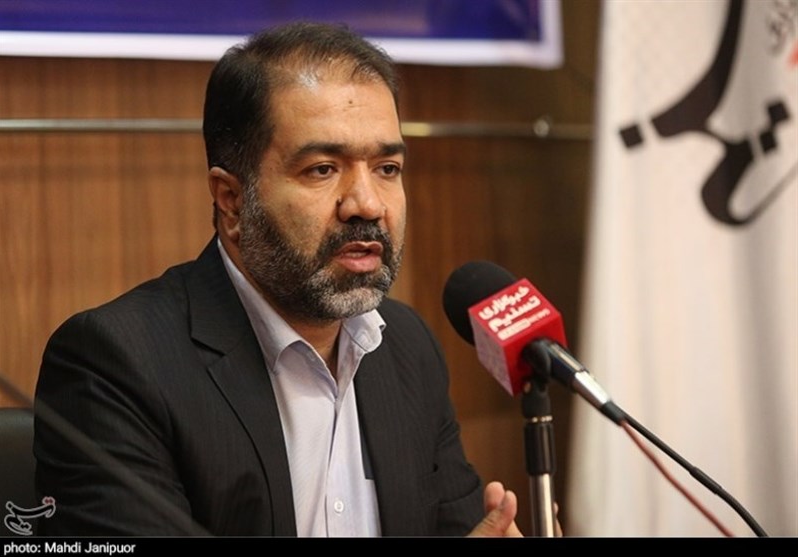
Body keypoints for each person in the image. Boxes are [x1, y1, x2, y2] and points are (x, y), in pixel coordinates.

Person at [34, 21, 522, 537]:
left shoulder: (406, 347)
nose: (367, 204)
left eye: (387, 168)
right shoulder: (118, 364)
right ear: (232, 200)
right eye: (322, 169)